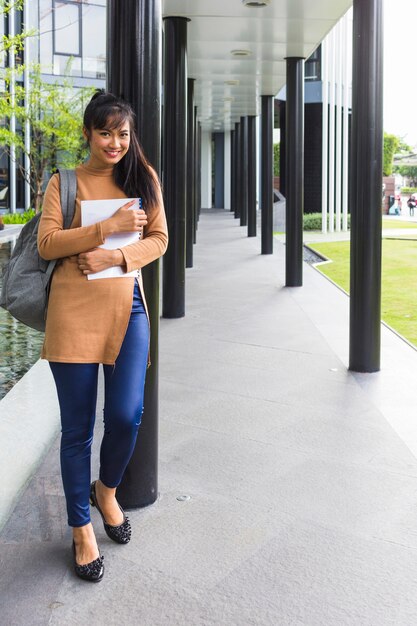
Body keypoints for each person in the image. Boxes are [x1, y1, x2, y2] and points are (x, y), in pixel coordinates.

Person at [38, 91, 168, 582]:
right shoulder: (63, 183)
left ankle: (106, 490)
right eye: (105, 132)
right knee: (77, 430)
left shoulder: (142, 177)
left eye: (123, 133)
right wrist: (106, 229)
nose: (115, 142)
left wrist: (116, 255)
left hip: (127, 307)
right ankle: (80, 529)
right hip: (72, 312)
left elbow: (159, 238)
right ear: (89, 134)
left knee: (126, 414)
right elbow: (48, 243)